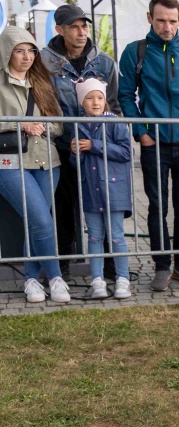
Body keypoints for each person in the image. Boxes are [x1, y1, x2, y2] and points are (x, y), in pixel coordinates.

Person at [118, 0, 179, 292]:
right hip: (153, 145)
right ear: (149, 18)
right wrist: (142, 133)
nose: (167, 27)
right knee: (157, 206)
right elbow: (125, 96)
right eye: (160, 21)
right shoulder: (136, 51)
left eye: (172, 21)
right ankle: (161, 266)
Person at [41, 4, 120, 279]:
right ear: (60, 29)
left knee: (104, 204)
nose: (81, 32)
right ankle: (63, 263)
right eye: (73, 27)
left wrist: (111, 139)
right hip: (62, 147)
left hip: (97, 150)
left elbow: (115, 106)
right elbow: (42, 106)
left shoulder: (104, 62)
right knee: (62, 207)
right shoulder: (43, 62)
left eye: (84, 26)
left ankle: (111, 264)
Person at [0, 26, 69, 303]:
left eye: (31, 51)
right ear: (7, 52)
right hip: (9, 162)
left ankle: (31, 280)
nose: (27, 57)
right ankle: (55, 277)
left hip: (47, 162)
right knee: (41, 220)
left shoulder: (41, 82)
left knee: (36, 223)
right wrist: (21, 125)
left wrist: (43, 128)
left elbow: (60, 125)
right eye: (19, 51)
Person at [70, 78, 133, 299]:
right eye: (89, 98)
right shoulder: (78, 125)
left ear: (105, 100)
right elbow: (74, 163)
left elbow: (127, 152)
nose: (95, 102)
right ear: (81, 102)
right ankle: (97, 281)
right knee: (94, 237)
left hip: (114, 190)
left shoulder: (114, 122)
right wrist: (74, 152)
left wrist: (94, 145)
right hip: (90, 191)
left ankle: (122, 279)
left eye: (99, 97)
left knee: (116, 236)